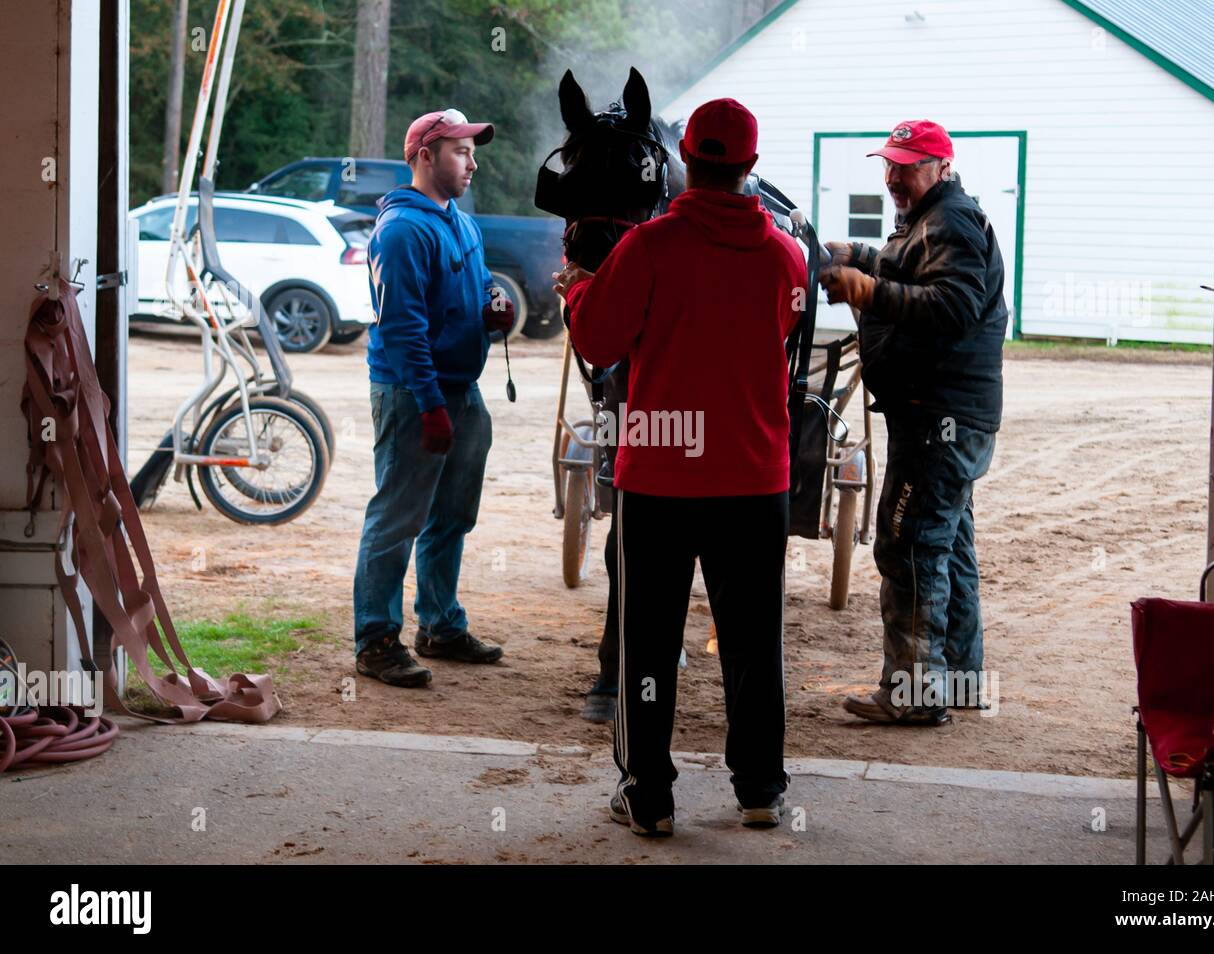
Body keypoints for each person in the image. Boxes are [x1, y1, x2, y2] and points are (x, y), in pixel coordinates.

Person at [554, 98, 805, 836]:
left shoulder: (651, 248)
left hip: (660, 478)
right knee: (755, 643)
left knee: (649, 642)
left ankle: (650, 796)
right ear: (749, 167)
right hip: (756, 480)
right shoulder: (786, 257)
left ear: (684, 160)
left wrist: (574, 290)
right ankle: (759, 789)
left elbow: (599, 341)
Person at [819, 119, 1007, 726]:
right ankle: (957, 682)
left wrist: (866, 290)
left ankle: (915, 694)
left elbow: (952, 305)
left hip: (938, 419)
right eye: (890, 164)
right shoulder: (936, 219)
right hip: (953, 417)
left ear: (942, 167)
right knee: (946, 548)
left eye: (907, 165)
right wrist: (863, 256)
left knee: (909, 546)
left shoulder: (950, 220)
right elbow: (917, 270)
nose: (893, 176)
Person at [352, 108, 512, 688]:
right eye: (460, 152)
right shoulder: (400, 232)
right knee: (398, 516)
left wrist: (495, 302)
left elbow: (482, 281)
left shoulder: (459, 222)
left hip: (461, 390)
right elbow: (402, 329)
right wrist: (430, 405)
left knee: (451, 516)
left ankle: (440, 625)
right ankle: (374, 639)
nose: (471, 163)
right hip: (412, 393)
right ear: (425, 156)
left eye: (472, 152)